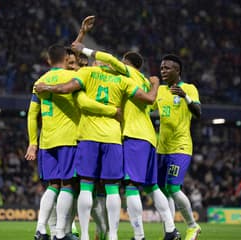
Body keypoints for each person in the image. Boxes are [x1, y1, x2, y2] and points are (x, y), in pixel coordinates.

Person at [34, 57, 160, 240]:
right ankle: (113, 235)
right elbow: (148, 99)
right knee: (112, 188)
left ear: (95, 63)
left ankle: (83, 234)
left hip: (88, 137)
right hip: (113, 138)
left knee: (85, 186)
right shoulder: (122, 79)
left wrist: (47, 87)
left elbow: (68, 91)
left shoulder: (87, 73)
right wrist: (154, 84)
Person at [70, 41, 180, 240]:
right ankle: (171, 229)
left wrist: (84, 49)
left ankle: (138, 236)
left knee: (130, 186)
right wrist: (155, 83)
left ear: (126, 64)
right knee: (151, 186)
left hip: (133, 136)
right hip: (149, 137)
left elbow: (109, 59)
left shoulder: (127, 74)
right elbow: (152, 102)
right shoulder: (145, 81)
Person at [25, 44, 119, 240]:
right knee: (68, 185)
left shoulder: (40, 81)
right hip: (69, 138)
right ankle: (61, 232)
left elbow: (32, 114)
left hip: (47, 141)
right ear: (66, 60)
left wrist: (33, 142)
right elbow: (84, 102)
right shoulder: (74, 77)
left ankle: (41, 229)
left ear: (49, 60)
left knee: (52, 185)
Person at [155, 54, 202, 240]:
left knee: (173, 187)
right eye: (161, 68)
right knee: (162, 189)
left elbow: (198, 113)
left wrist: (186, 98)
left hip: (181, 147)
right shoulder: (159, 91)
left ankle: (192, 226)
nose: (163, 71)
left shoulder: (189, 88)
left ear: (177, 71)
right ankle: (171, 230)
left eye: (167, 68)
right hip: (162, 149)